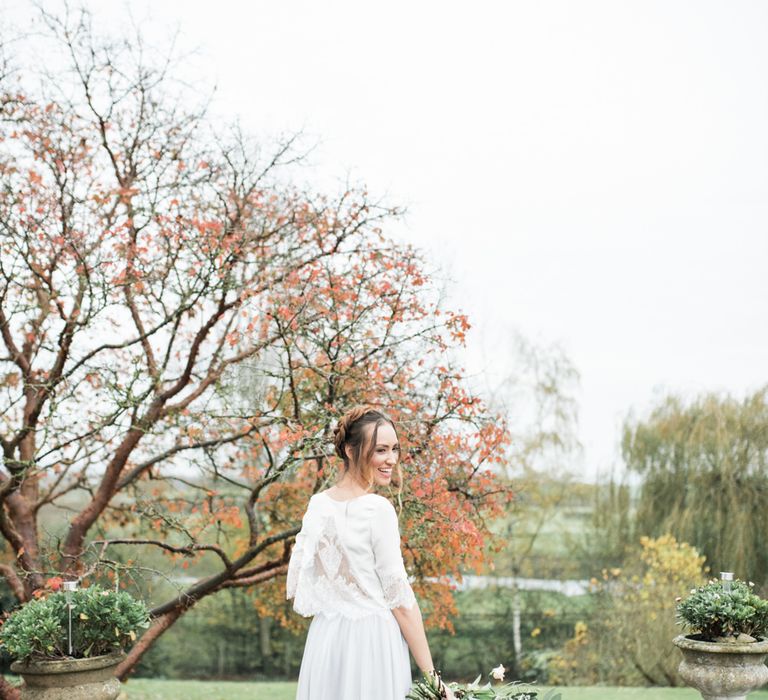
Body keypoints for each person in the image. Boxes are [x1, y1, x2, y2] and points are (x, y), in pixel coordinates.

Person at [287, 405, 455, 700]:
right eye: (380, 450)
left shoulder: (317, 505)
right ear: (351, 451)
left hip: (326, 642)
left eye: (395, 449)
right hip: (371, 644)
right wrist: (432, 679)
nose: (391, 459)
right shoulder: (377, 509)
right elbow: (401, 602)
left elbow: (299, 581)